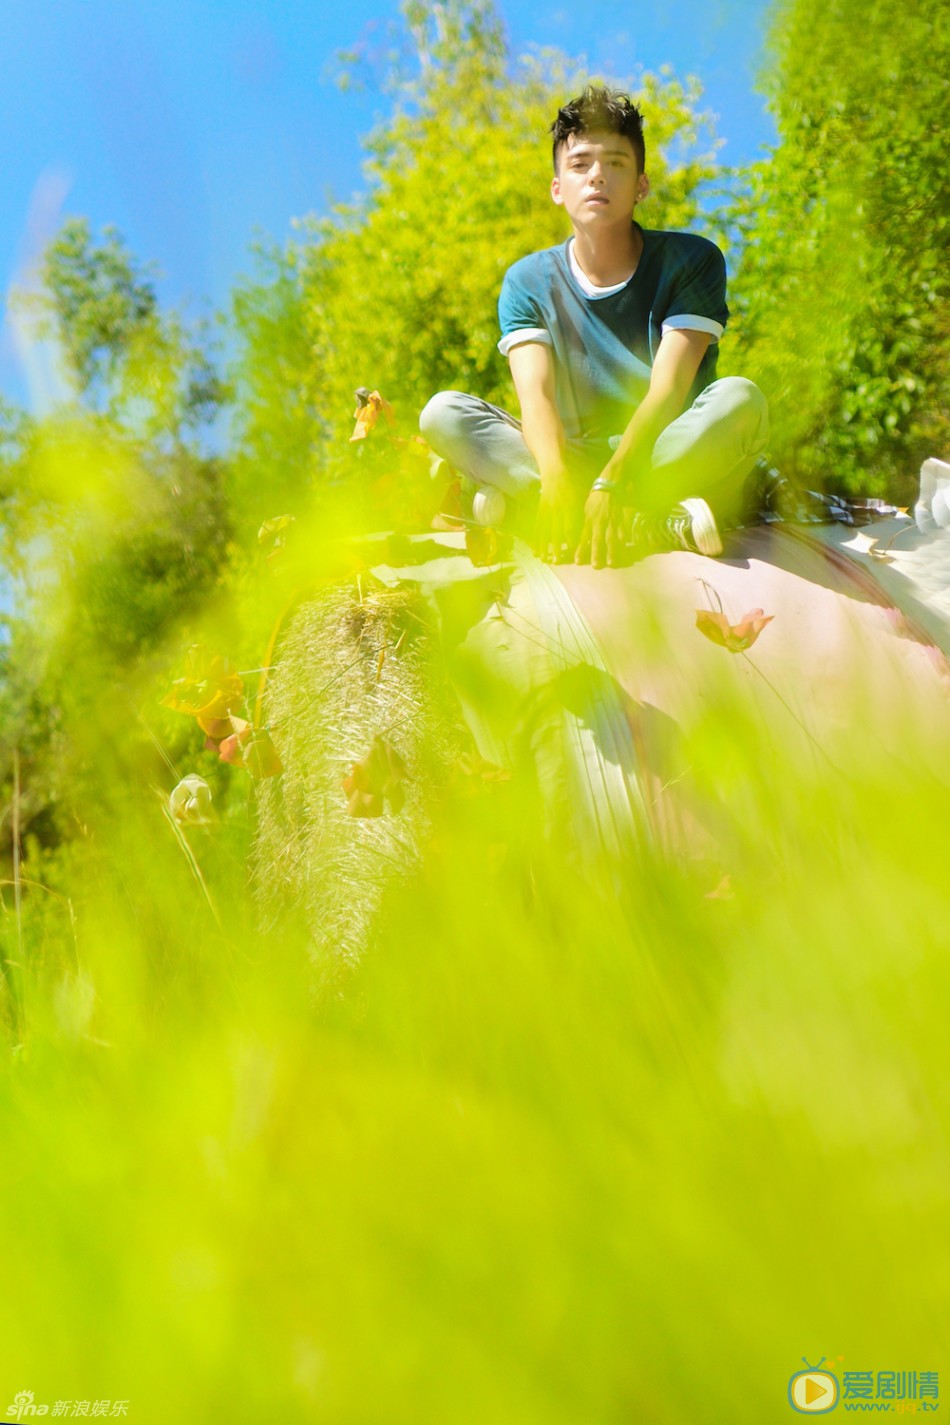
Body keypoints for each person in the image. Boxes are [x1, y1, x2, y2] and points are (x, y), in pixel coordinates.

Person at [420, 84, 770, 567]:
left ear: (642, 185)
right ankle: (612, 512)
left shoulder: (692, 260)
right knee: (442, 413)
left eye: (616, 163)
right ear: (557, 188)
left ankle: (575, 506)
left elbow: (668, 390)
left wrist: (615, 479)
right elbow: (535, 397)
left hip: (658, 452)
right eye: (581, 164)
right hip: (566, 457)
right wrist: (559, 476)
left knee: (740, 401)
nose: (598, 177)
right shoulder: (526, 281)